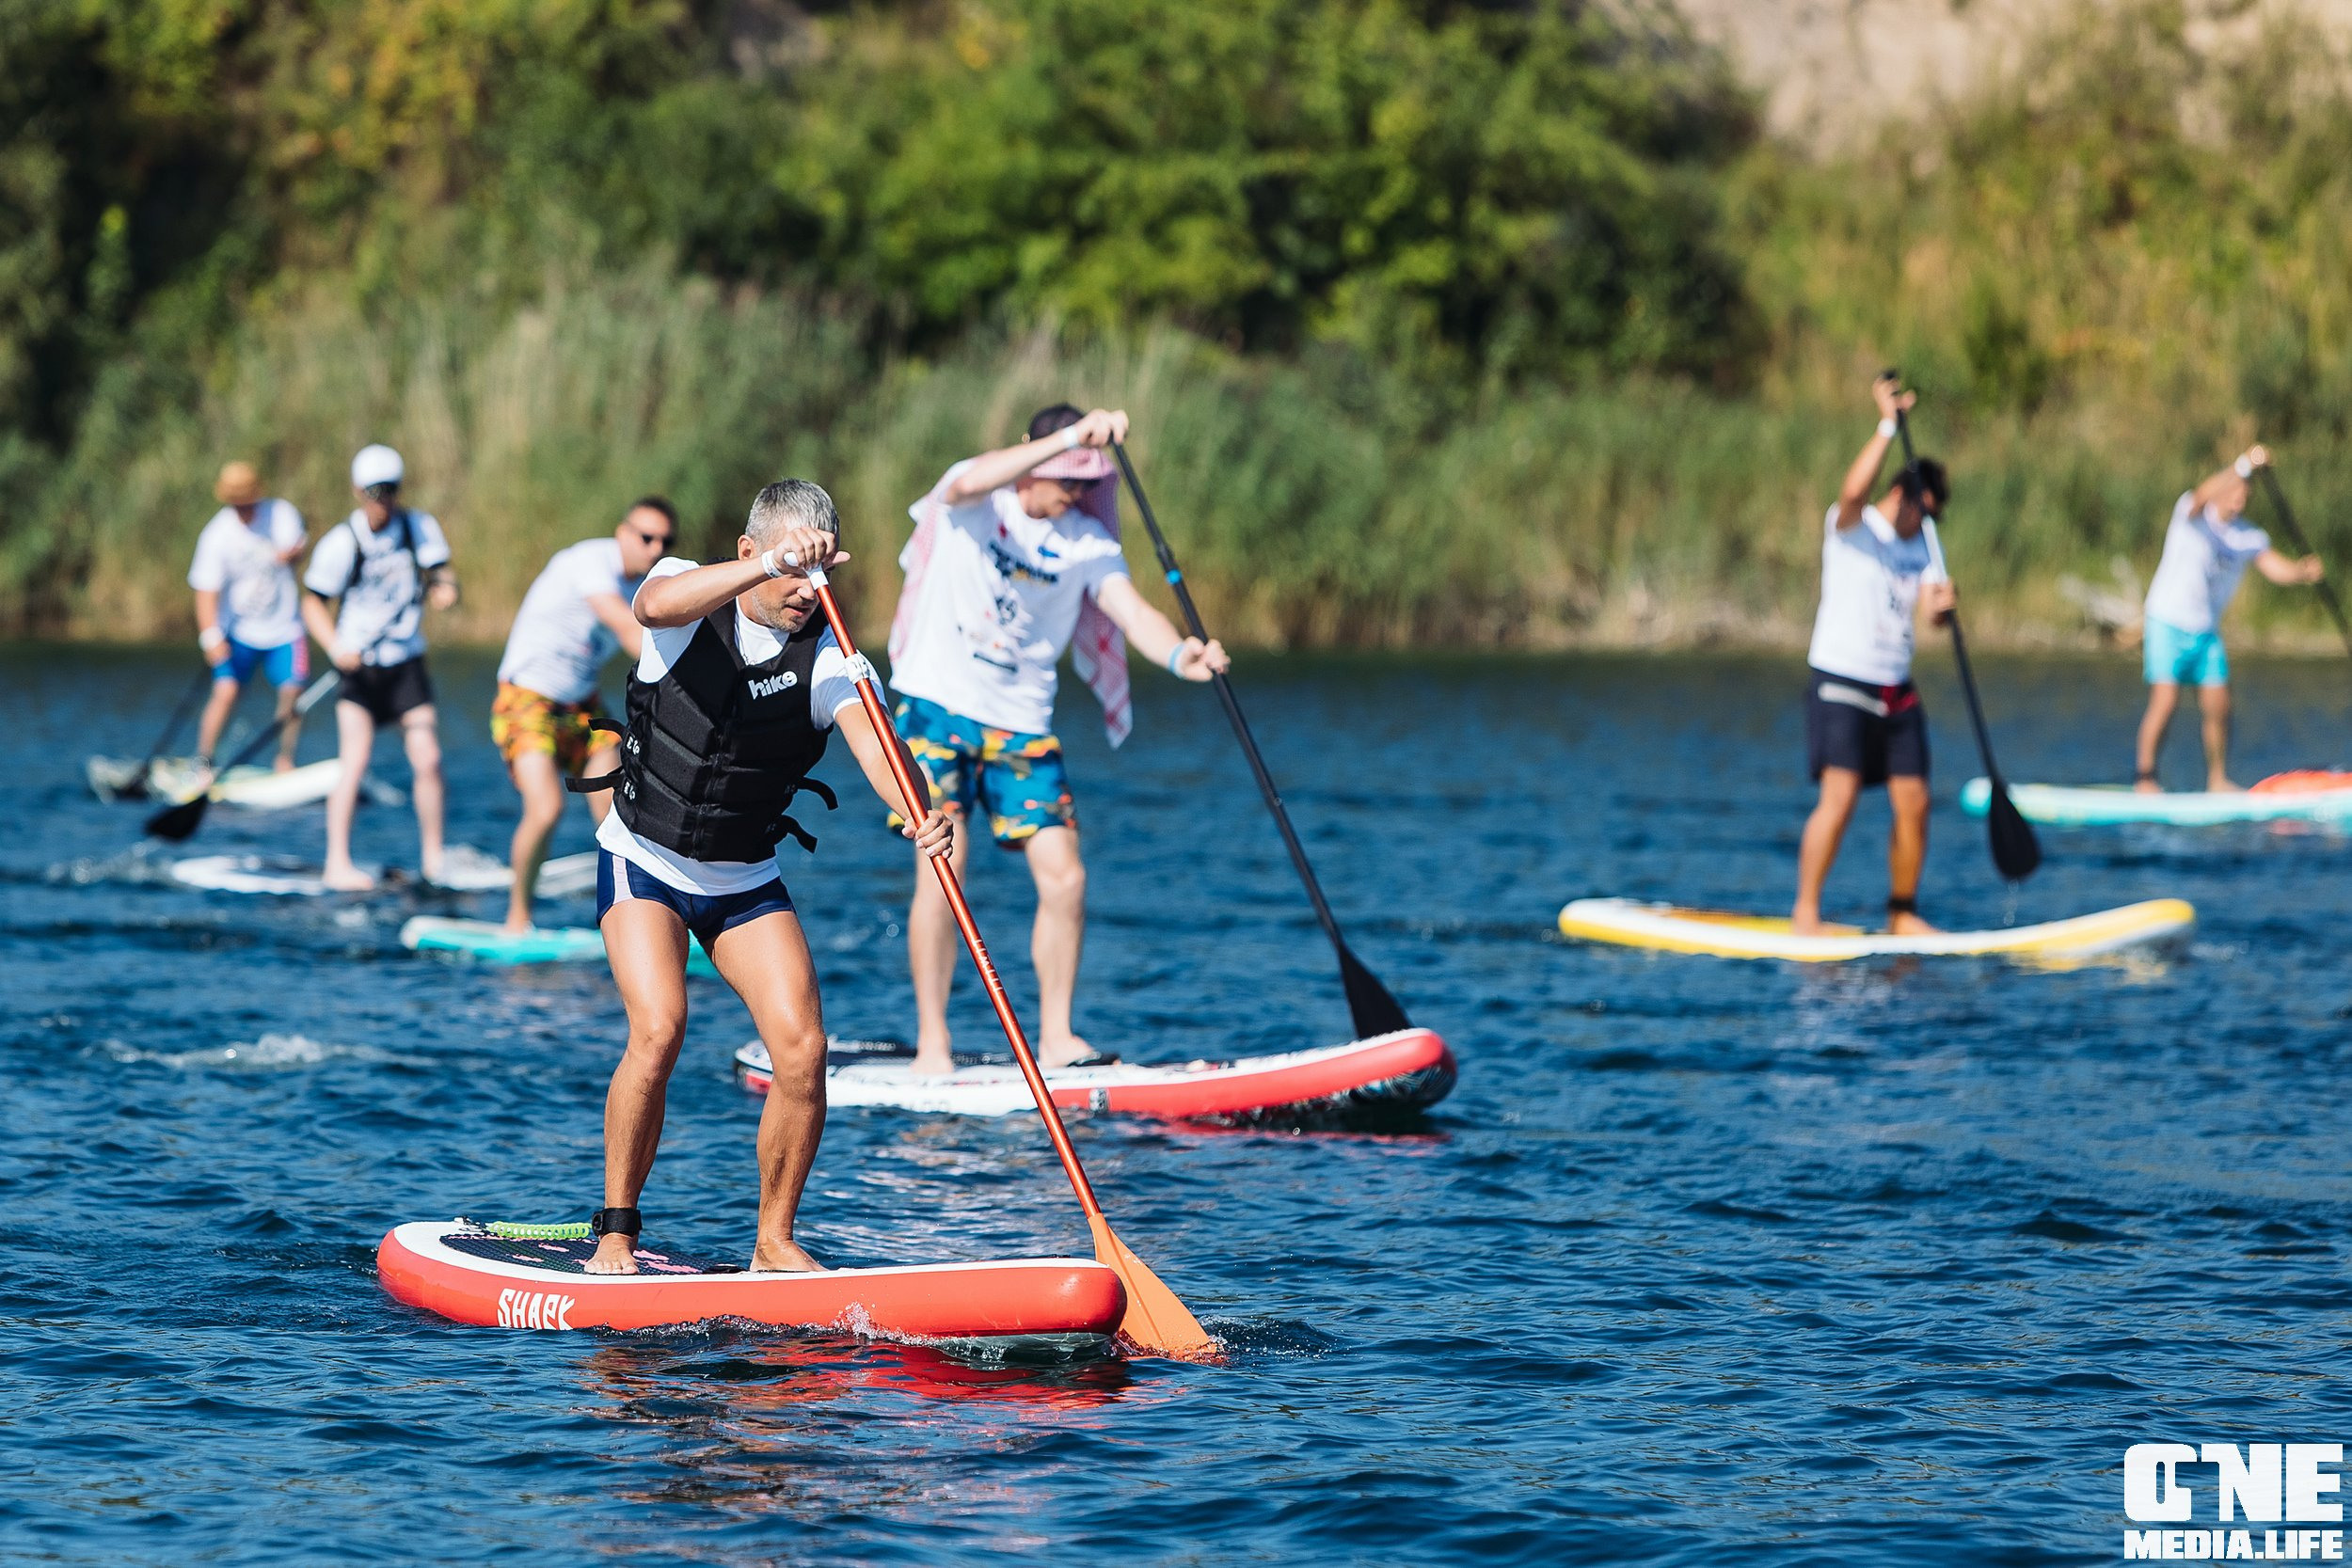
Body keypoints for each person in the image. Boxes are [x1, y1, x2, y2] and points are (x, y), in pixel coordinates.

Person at [579, 480, 952, 1275]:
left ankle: (774, 1241)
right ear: (749, 553)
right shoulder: (687, 591)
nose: (803, 591)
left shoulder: (830, 654)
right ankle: (615, 1229)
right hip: (643, 858)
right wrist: (768, 567)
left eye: (817, 572)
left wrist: (922, 808)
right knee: (659, 1028)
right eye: (788, 570)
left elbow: (880, 753)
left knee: (803, 1047)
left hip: (743, 877)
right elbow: (654, 607)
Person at [888, 404, 1229, 1074]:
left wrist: (1180, 657)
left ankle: (1057, 1039)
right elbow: (962, 483)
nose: (1073, 489)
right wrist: (1071, 438)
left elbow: (1130, 610)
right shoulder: (978, 499)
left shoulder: (1086, 541)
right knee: (943, 874)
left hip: (1022, 725)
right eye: (1062, 474)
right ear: (1032, 453)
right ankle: (934, 1042)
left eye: (1084, 479)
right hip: (937, 707)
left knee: (1067, 878)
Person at [1791, 373, 1958, 937]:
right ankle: (1807, 912)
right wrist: (1888, 424)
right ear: (1901, 494)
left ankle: (1902, 912)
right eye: (1923, 511)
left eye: (1933, 516)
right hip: (1841, 681)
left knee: (1914, 802)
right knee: (1838, 800)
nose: (1925, 523)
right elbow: (1851, 492)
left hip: (1896, 687)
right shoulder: (1852, 529)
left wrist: (1941, 607)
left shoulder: (1923, 548)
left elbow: (1930, 620)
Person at [491, 498, 677, 931]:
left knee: (622, 816)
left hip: (583, 708)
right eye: (646, 537)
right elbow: (625, 627)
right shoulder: (588, 563)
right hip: (527, 700)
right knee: (546, 808)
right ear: (622, 533)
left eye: (665, 541)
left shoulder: (647, 586)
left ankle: (642, 925)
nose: (654, 549)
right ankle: (518, 918)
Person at [300, 444, 458, 891]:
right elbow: (313, 603)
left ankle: (433, 859)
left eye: (390, 490)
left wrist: (446, 591)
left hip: (405, 663)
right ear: (358, 491)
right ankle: (337, 863)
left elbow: (442, 574)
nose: (382, 500)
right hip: (360, 668)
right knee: (356, 761)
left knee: (428, 759)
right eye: (374, 491)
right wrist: (334, 646)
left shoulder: (417, 527)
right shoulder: (341, 543)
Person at [2133, 444, 2324, 792]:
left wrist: (2302, 571)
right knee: (2165, 701)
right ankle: (2146, 779)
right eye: (2232, 491)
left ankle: (2217, 780)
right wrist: (2244, 466)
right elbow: (2205, 491)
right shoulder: (2190, 514)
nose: (2238, 499)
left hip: (2205, 630)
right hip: (2167, 621)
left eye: (2244, 494)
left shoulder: (2247, 536)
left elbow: (2272, 566)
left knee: (2220, 705)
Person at [187, 461, 310, 774]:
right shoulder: (217, 535)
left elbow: (298, 548)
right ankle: (204, 760)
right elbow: (205, 591)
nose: (242, 508)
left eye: (247, 500)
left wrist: (291, 556)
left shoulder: (281, 515)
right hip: (237, 631)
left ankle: (285, 760)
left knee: (293, 691)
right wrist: (210, 636)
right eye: (235, 502)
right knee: (226, 691)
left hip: (284, 627)